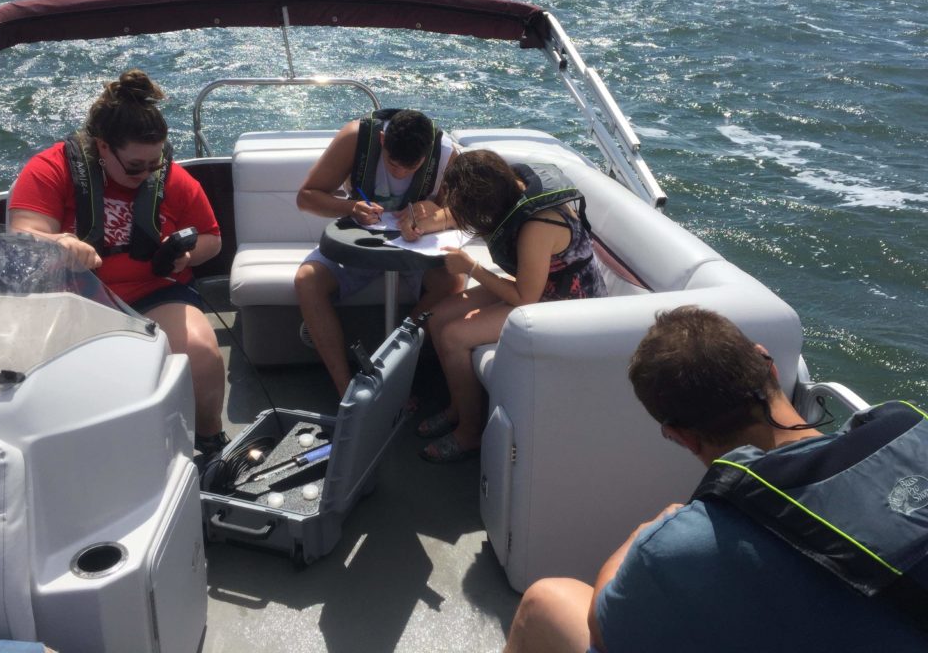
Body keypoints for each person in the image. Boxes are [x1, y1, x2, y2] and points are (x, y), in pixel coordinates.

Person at [505, 306, 927, 653]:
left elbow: (604, 631)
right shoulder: (911, 430)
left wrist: (641, 537)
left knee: (546, 601)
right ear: (770, 365)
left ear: (680, 436)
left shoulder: (682, 543)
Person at [8, 69, 229, 465]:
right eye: (134, 166)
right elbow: (24, 234)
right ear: (103, 147)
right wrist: (61, 242)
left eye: (154, 164)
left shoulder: (170, 178)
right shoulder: (51, 169)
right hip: (74, 300)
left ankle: (211, 440)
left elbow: (213, 238)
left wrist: (187, 256)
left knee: (201, 352)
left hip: (153, 293)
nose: (145, 174)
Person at [421, 150, 607, 463]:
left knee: (454, 335)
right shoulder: (511, 187)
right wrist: (425, 225)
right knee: (438, 318)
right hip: (537, 283)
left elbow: (525, 299)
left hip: (566, 304)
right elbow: (459, 211)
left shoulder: (538, 225)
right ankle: (457, 406)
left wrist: (470, 268)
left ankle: (469, 433)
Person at [294, 108, 465, 397]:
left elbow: (460, 213)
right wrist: (351, 208)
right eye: (393, 164)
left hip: (413, 250)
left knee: (452, 283)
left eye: (410, 169)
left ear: (428, 153)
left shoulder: (448, 155)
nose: (399, 172)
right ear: (383, 140)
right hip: (359, 243)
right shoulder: (355, 138)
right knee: (306, 281)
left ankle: (393, 366)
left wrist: (435, 213)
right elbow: (306, 198)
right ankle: (346, 389)